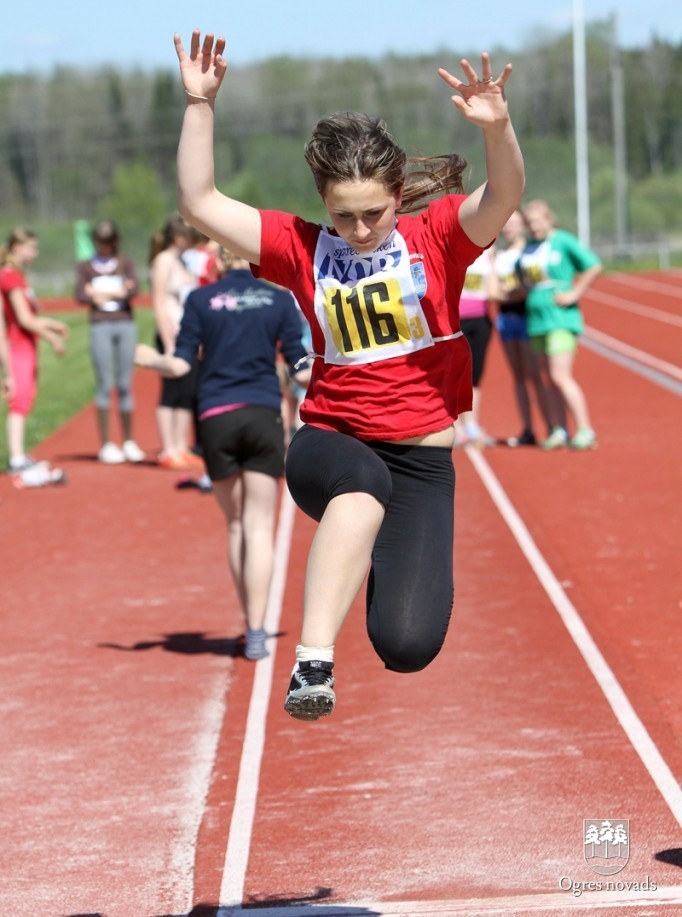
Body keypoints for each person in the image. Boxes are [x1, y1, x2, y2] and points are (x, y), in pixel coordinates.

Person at [173, 30, 524, 720]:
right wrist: (199, 105)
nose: (360, 229)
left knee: (407, 642)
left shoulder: (440, 237)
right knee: (361, 489)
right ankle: (312, 662)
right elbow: (200, 202)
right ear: (322, 203)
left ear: (400, 194)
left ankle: (363, 556)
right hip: (333, 443)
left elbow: (504, 194)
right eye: (344, 215)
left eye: (374, 212)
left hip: (422, 461)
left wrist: (499, 128)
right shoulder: (298, 248)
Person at [135, 250, 310, 660]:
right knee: (259, 526)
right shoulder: (278, 299)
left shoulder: (199, 300)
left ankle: (248, 620)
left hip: (215, 418)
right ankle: (257, 629)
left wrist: (147, 359)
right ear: (253, 262)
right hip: (263, 414)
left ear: (213, 265)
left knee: (235, 526)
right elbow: (300, 368)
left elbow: (179, 366)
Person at [518, 200, 602, 450]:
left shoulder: (562, 241)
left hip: (560, 318)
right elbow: (522, 278)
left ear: (548, 219)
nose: (534, 227)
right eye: (529, 223)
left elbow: (593, 265)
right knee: (548, 378)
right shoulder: (529, 248)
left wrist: (575, 293)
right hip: (537, 320)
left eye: (537, 222)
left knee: (559, 375)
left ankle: (586, 429)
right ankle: (559, 429)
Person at [0, 227, 68, 487]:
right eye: (31, 247)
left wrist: (49, 325)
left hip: (24, 345)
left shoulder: (16, 275)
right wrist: (51, 335)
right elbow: (24, 319)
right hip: (18, 346)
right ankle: (16, 458)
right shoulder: (10, 277)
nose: (35, 253)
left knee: (24, 399)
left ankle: (19, 455)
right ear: (17, 246)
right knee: (19, 400)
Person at [75, 219, 145, 464]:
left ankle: (128, 440)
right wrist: (117, 291)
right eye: (100, 242)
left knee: (126, 384)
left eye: (108, 242)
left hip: (124, 323)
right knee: (105, 384)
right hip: (100, 325)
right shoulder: (85, 266)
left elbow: (133, 290)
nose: (104, 247)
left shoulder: (124, 262)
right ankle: (106, 443)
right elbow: (82, 294)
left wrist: (101, 293)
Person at [489, 209, 552, 446]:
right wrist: (508, 292)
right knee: (518, 377)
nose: (510, 228)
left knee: (536, 375)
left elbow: (525, 289)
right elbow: (493, 291)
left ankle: (551, 427)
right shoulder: (500, 254)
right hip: (506, 320)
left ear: (523, 226)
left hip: (527, 317)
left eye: (514, 223)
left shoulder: (528, 253)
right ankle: (528, 429)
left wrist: (507, 292)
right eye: (506, 223)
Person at [148, 215, 203, 471]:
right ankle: (168, 449)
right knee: (171, 390)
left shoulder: (183, 261)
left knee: (188, 390)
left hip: (187, 334)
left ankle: (181, 447)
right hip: (170, 334)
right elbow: (158, 304)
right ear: (178, 237)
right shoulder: (162, 262)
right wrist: (169, 343)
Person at [453, 248, 496, 447]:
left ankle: (471, 425)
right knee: (456, 374)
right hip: (454, 320)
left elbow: (494, 290)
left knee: (475, 375)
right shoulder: (456, 247)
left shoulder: (490, 253)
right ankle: (457, 426)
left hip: (480, 320)